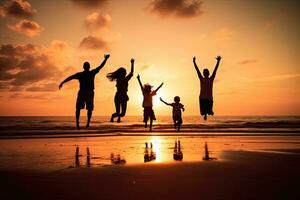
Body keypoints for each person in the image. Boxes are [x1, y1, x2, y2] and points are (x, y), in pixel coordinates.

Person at [59, 54, 110, 130]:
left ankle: (86, 123)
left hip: (88, 92)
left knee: (87, 108)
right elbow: (70, 77)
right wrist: (63, 82)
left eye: (86, 66)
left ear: (87, 67)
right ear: (86, 67)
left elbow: (100, 66)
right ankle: (79, 123)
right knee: (80, 108)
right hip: (84, 92)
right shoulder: (83, 74)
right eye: (86, 66)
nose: (86, 67)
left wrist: (105, 59)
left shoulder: (89, 73)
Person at [193, 56, 221, 120]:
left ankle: (209, 112)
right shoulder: (201, 78)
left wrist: (218, 62)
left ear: (208, 73)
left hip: (209, 98)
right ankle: (205, 114)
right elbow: (197, 71)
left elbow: (215, 70)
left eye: (207, 73)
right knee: (202, 113)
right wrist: (194, 62)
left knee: (209, 112)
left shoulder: (211, 79)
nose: (206, 74)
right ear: (203, 74)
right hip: (202, 98)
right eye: (204, 73)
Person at [107, 58, 135, 123]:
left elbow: (131, 73)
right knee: (122, 113)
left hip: (118, 96)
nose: (126, 73)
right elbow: (131, 73)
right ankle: (117, 117)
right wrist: (132, 63)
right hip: (122, 96)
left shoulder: (118, 79)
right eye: (125, 72)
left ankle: (113, 117)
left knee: (119, 112)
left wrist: (132, 63)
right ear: (123, 73)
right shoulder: (125, 79)